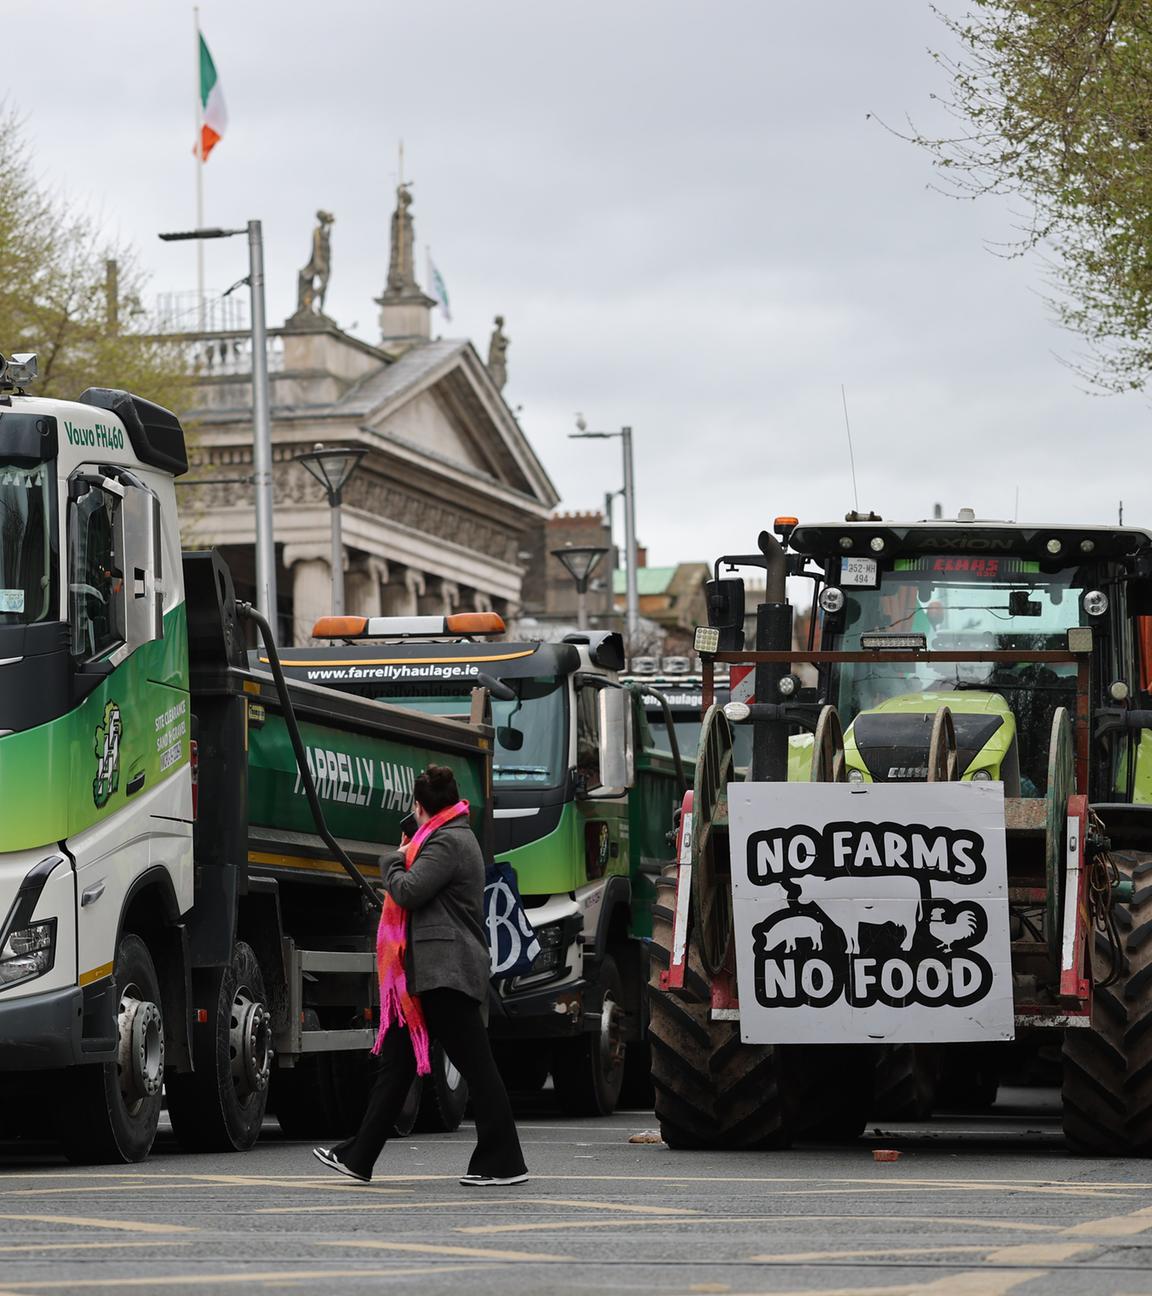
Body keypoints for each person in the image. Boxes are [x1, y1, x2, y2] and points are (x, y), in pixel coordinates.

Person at [313, 765, 528, 1187]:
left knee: (478, 1068)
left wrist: (393, 858)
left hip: (445, 973)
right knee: (395, 1068)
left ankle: (503, 1161)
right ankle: (360, 1156)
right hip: (425, 977)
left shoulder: (448, 841)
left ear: (421, 805)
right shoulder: (448, 838)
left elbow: (409, 889)